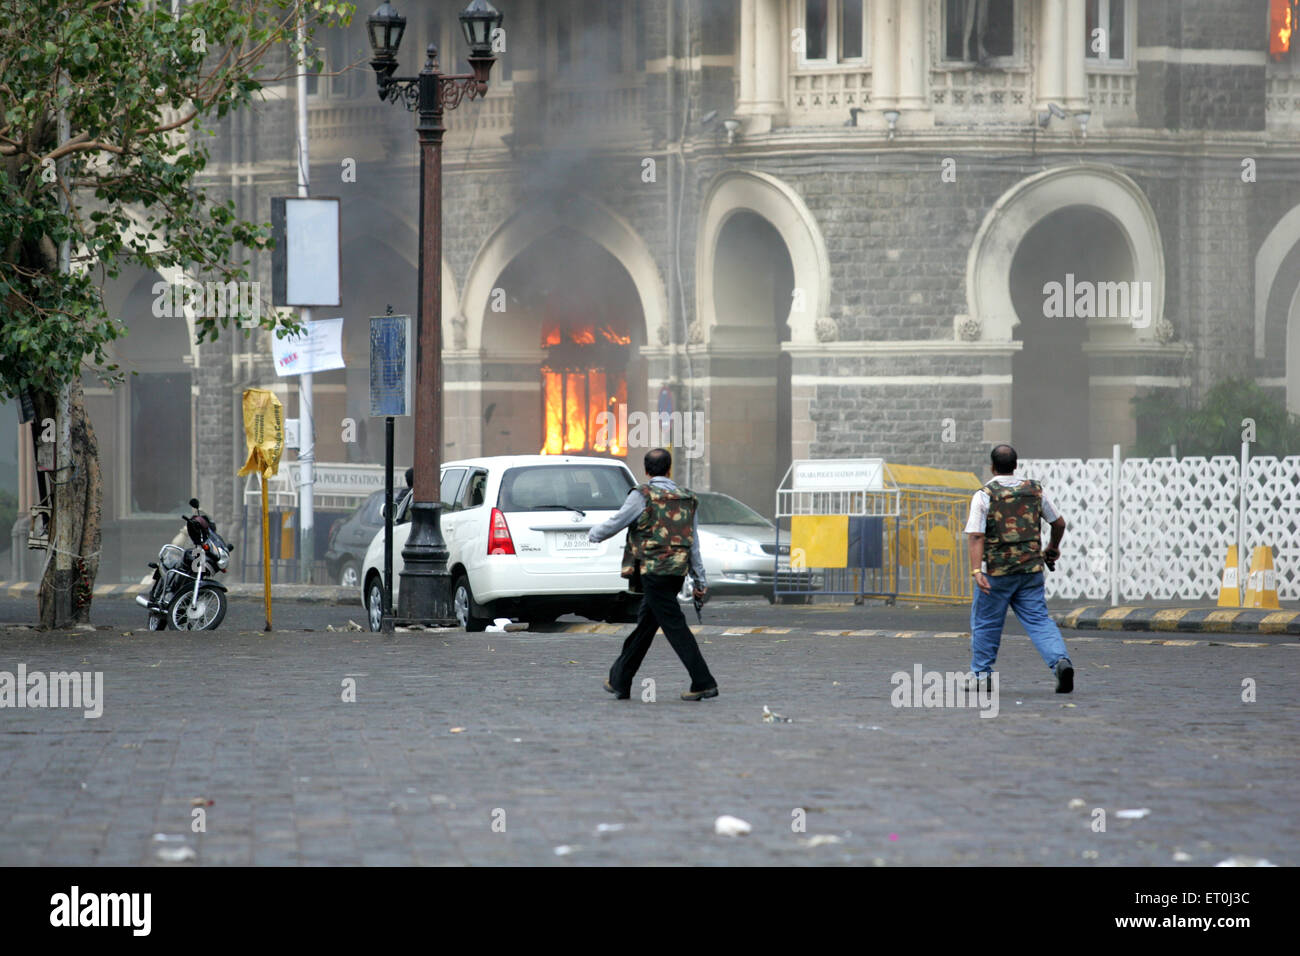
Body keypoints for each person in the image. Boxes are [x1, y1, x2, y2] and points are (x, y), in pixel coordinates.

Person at [587, 448, 718, 701]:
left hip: (653, 571)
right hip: (677, 571)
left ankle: (703, 680)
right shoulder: (686, 497)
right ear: (669, 469)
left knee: (674, 626)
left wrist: (593, 534)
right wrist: (700, 580)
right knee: (645, 627)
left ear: (646, 471)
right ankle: (620, 680)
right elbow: (694, 543)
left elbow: (617, 522)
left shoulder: (642, 495)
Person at [964, 443, 1074, 693]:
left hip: (996, 573)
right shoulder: (1035, 491)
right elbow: (1058, 523)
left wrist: (976, 571)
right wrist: (1052, 548)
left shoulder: (984, 495)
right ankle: (1060, 661)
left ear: (992, 467)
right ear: (1015, 466)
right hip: (1030, 571)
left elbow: (976, 536)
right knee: (1038, 621)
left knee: (986, 622)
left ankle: (981, 676)